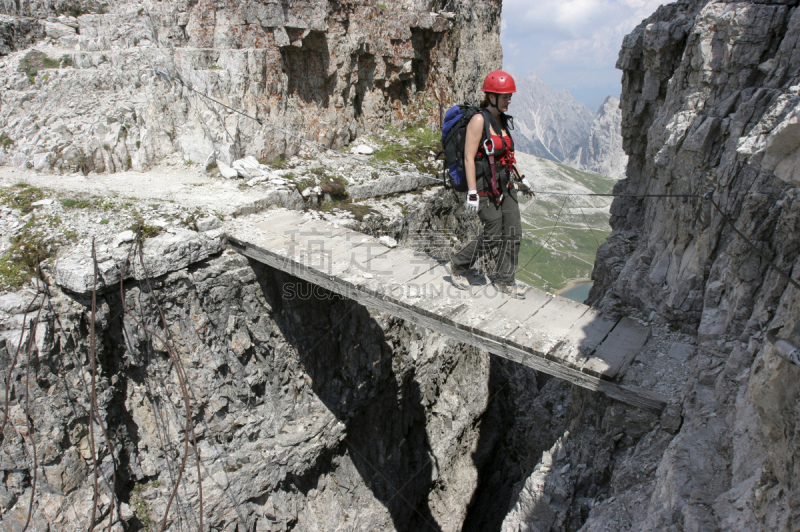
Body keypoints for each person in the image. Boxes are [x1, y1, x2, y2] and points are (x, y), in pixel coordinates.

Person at [446, 70, 533, 299]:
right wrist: (472, 192)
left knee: (514, 231)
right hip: (485, 186)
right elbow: (468, 157)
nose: (509, 100)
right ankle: (457, 265)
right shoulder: (479, 120)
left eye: (509, 96)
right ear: (491, 96)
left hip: (506, 185)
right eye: (505, 96)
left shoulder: (503, 121)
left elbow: (507, 156)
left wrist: (521, 179)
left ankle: (505, 280)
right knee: (493, 234)